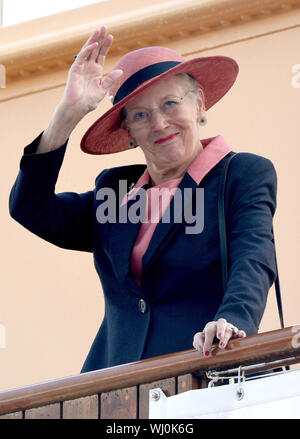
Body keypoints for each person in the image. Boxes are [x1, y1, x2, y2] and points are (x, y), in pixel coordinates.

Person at [9, 25, 277, 374]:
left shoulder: (240, 174)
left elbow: (254, 257)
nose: (159, 123)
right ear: (129, 133)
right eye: (140, 115)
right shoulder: (117, 191)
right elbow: (30, 208)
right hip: (113, 391)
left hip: (202, 376)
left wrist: (232, 319)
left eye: (170, 103)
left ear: (199, 104)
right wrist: (68, 113)